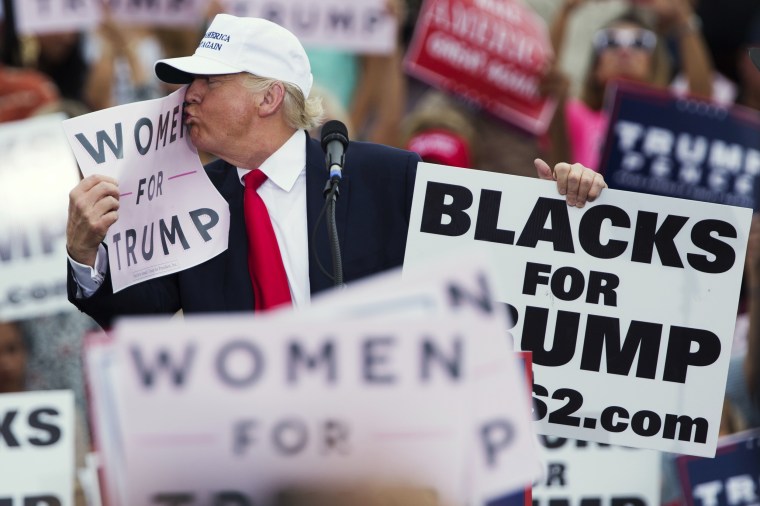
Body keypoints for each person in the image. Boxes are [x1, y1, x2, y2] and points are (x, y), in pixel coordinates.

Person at [65, 14, 607, 329]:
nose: (190, 96)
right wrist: (84, 254)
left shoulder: (383, 175)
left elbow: (494, 253)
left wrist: (559, 206)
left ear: (269, 97)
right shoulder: (189, 201)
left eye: (210, 82)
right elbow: (137, 318)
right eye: (189, 83)